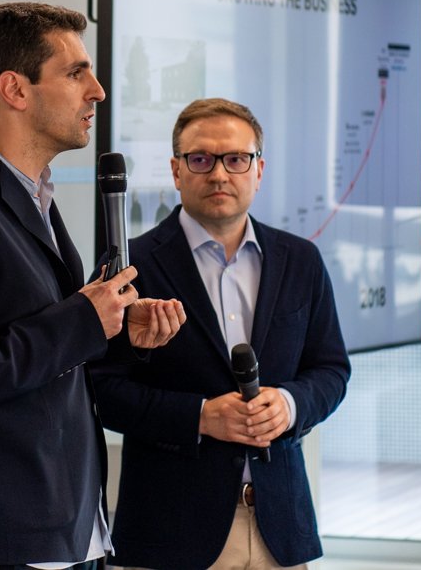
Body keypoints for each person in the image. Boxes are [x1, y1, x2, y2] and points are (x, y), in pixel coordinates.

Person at [0, 1, 187, 569]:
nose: (97, 91)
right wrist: (82, 320)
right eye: (76, 73)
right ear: (15, 90)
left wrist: (114, 330)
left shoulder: (31, 194)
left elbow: (33, 342)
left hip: (58, 527)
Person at [92, 98, 351, 570]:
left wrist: (290, 404)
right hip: (171, 534)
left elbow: (331, 370)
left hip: (280, 529)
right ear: (176, 170)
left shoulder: (301, 260)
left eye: (235, 159)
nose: (218, 174)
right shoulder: (129, 268)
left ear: (258, 170)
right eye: (200, 159)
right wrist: (200, 417)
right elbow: (100, 391)